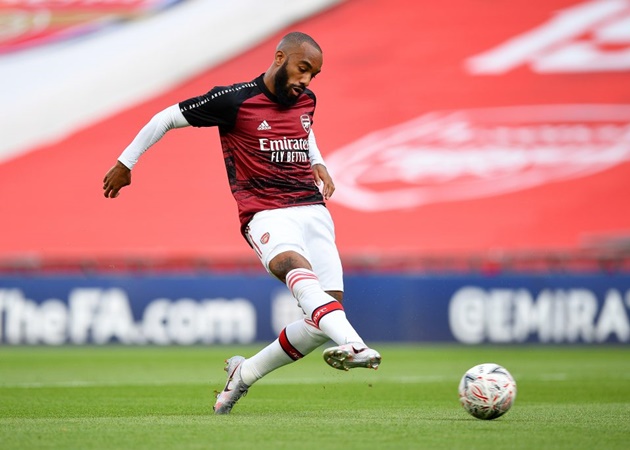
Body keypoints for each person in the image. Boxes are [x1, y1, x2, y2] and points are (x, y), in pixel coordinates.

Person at [103, 31, 381, 414]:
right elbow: (166, 117)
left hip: (313, 210)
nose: (305, 81)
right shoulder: (234, 101)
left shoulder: (307, 101)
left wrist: (318, 161)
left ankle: (244, 373)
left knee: (322, 320)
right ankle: (355, 345)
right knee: (294, 270)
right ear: (280, 58)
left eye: (313, 75)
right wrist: (126, 162)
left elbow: (304, 127)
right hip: (265, 212)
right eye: (302, 69)